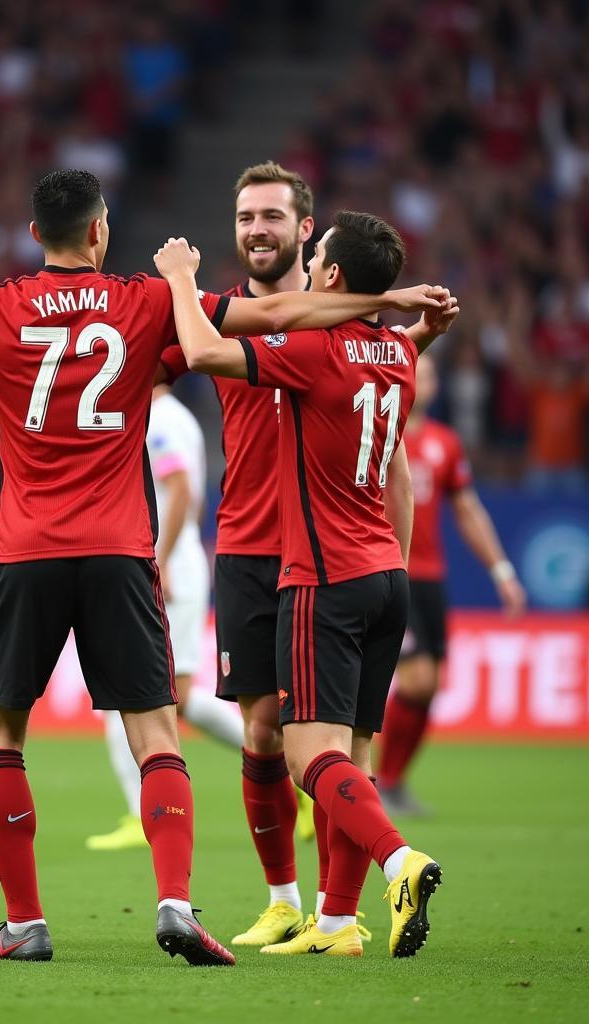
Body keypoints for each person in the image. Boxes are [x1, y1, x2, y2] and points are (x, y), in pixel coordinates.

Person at [0, 169, 445, 966]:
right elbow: (278, 311)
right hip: (122, 551)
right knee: (157, 736)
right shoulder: (143, 301)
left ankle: (24, 922)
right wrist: (386, 305)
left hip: (25, 550)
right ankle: (174, 903)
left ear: (36, 236)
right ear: (100, 233)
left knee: (0, 736)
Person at [153, 210, 456, 959]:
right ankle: (334, 925)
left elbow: (199, 348)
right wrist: (412, 323)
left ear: (329, 277)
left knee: (306, 757)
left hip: (323, 576)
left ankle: (399, 861)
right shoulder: (397, 354)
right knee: (347, 757)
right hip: (389, 574)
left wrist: (182, 278)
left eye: (316, 253)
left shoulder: (314, 350)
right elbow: (377, 373)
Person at [87, 381, 244, 853]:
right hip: (167, 562)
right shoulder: (163, 415)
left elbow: (179, 492)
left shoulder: (163, 418)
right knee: (162, 695)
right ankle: (275, 760)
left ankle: (276, 760)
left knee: (145, 693)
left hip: (166, 565)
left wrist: (160, 556)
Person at [377, 353, 526, 816]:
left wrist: (501, 570)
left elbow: (467, 510)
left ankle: (394, 781)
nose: (420, 382)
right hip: (389, 569)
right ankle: (379, 780)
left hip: (431, 579)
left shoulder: (445, 443)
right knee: (417, 679)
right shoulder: (377, 433)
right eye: (413, 372)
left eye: (428, 375)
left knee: (433, 683)